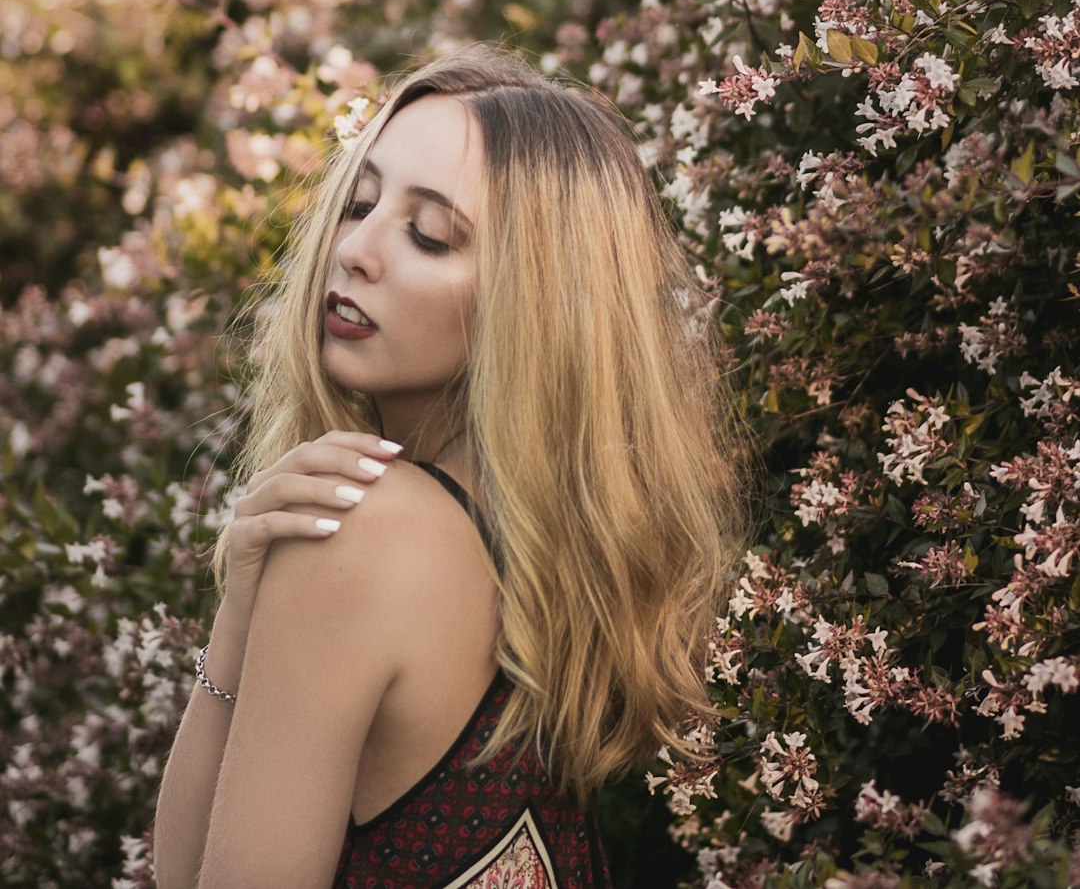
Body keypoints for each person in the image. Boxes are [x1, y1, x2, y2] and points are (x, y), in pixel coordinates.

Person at [154, 45, 750, 889]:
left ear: (533, 300)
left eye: (429, 235)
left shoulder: (365, 528)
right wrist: (240, 615)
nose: (355, 249)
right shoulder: (543, 572)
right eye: (358, 203)